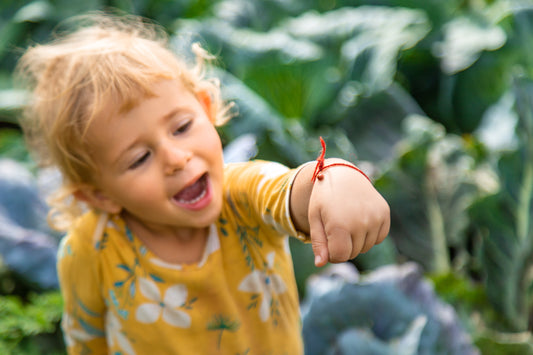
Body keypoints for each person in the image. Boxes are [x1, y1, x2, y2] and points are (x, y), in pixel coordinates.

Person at [16, 13, 390, 355]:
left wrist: (336, 176)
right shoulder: (90, 249)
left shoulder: (239, 196)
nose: (176, 158)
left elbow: (288, 189)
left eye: (182, 127)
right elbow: (87, 341)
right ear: (99, 194)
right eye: (139, 158)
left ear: (207, 109)